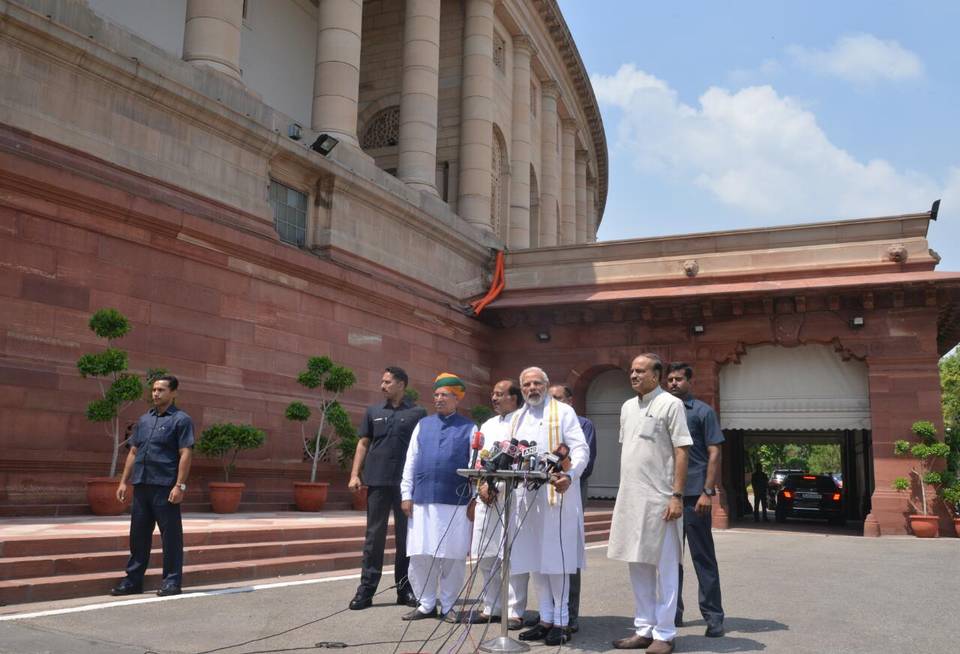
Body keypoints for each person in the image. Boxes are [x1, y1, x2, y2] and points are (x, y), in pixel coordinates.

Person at [608, 354, 692, 654]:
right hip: (631, 499)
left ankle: (665, 633)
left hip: (662, 500)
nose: (633, 375)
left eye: (640, 371)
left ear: (656, 375)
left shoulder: (671, 404)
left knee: (666, 568)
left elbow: (682, 451)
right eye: (631, 370)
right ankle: (644, 628)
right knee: (638, 564)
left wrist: (677, 496)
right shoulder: (627, 407)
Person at [510, 367, 588, 647]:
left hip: (558, 497)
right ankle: (544, 618)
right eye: (527, 384)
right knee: (535, 560)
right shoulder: (517, 417)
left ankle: (562, 621)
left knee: (557, 561)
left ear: (546, 385)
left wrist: (570, 474)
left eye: (537, 383)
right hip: (526, 498)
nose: (532, 388)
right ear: (522, 389)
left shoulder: (563, 412)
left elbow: (580, 449)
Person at [348, 366, 426, 610]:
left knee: (406, 538)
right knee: (374, 537)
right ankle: (366, 591)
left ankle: (405, 590)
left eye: (387, 382)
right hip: (378, 481)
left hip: (405, 485)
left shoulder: (417, 412)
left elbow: (422, 448)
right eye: (382, 382)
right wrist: (354, 474)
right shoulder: (373, 411)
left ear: (401, 384)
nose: (382, 386)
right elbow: (363, 443)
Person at [111, 375, 194, 597]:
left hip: (165, 486)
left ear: (174, 393)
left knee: (171, 536)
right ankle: (133, 580)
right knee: (138, 535)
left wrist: (180, 486)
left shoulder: (181, 420)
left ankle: (172, 581)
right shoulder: (144, 420)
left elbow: (186, 453)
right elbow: (134, 451)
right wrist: (123, 481)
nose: (156, 393)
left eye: (161, 390)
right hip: (141, 485)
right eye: (154, 389)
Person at [400, 373, 474, 622]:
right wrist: (405, 494)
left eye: (444, 395)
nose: (439, 399)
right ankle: (426, 602)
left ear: (457, 398)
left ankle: (449, 605)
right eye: (436, 395)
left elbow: (476, 467)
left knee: (451, 556)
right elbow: (410, 461)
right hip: (422, 501)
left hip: (455, 503)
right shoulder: (423, 425)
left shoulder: (470, 428)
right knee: (420, 554)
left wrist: (473, 500)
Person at [665, 363, 725, 638]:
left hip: (694, 497)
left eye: (678, 379)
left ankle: (714, 617)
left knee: (703, 558)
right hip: (666, 495)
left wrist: (707, 491)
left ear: (690, 381)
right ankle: (672, 613)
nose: (673, 383)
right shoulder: (663, 411)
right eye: (669, 380)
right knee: (668, 560)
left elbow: (714, 453)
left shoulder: (702, 412)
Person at [465, 379, 523, 626]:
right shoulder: (487, 424)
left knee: (511, 554)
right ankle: (491, 606)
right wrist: (481, 486)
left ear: (514, 397)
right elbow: (477, 460)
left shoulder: (525, 421)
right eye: (493, 394)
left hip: (514, 495)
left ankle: (514, 611)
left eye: (500, 394)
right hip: (486, 495)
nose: (495, 398)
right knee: (485, 553)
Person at [548, 383, 598, 634]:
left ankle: (570, 612)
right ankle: (549, 613)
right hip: (543, 491)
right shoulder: (542, 421)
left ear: (569, 400)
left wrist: (564, 474)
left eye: (558, 398)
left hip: (573, 488)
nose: (553, 402)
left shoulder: (582, 424)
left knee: (569, 550)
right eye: (550, 398)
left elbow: (584, 463)